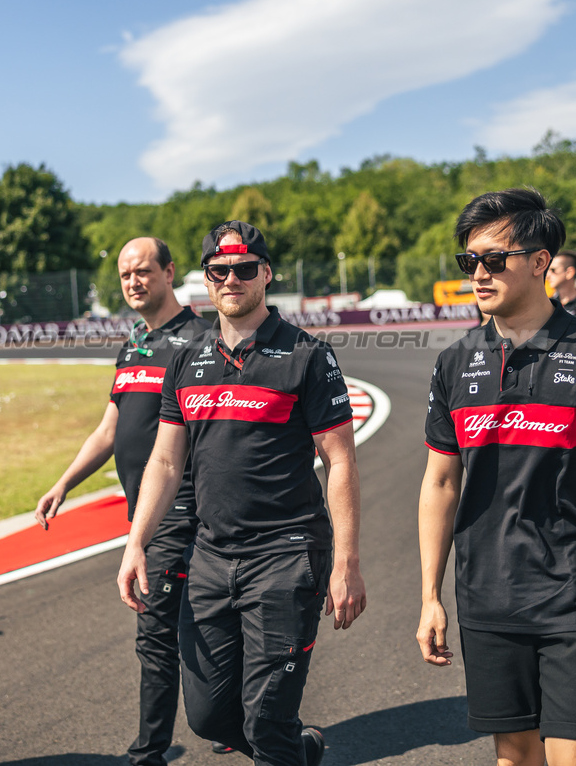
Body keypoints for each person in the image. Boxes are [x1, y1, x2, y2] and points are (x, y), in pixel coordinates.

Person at [417, 188, 576, 766]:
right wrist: (429, 596)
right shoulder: (455, 361)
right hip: (486, 597)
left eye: (493, 259)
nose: (478, 273)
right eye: (468, 261)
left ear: (540, 262)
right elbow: (440, 484)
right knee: (515, 758)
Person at [117, 220, 366, 766]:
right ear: (205, 280)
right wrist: (137, 543)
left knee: (266, 717)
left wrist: (345, 562)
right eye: (219, 270)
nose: (232, 278)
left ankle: (284, 744)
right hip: (208, 556)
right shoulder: (186, 359)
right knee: (208, 717)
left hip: (285, 555)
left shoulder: (308, 355)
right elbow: (164, 459)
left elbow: (341, 461)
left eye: (244, 268)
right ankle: (298, 748)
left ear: (266, 273)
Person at [34, 237, 214, 766]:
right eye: (125, 275)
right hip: (144, 513)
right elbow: (111, 428)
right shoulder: (133, 341)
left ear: (169, 272)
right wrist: (65, 482)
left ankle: (149, 754)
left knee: (161, 636)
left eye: (143, 271)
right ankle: (232, 722)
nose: (133, 282)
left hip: (189, 512)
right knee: (183, 631)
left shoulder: (203, 339)